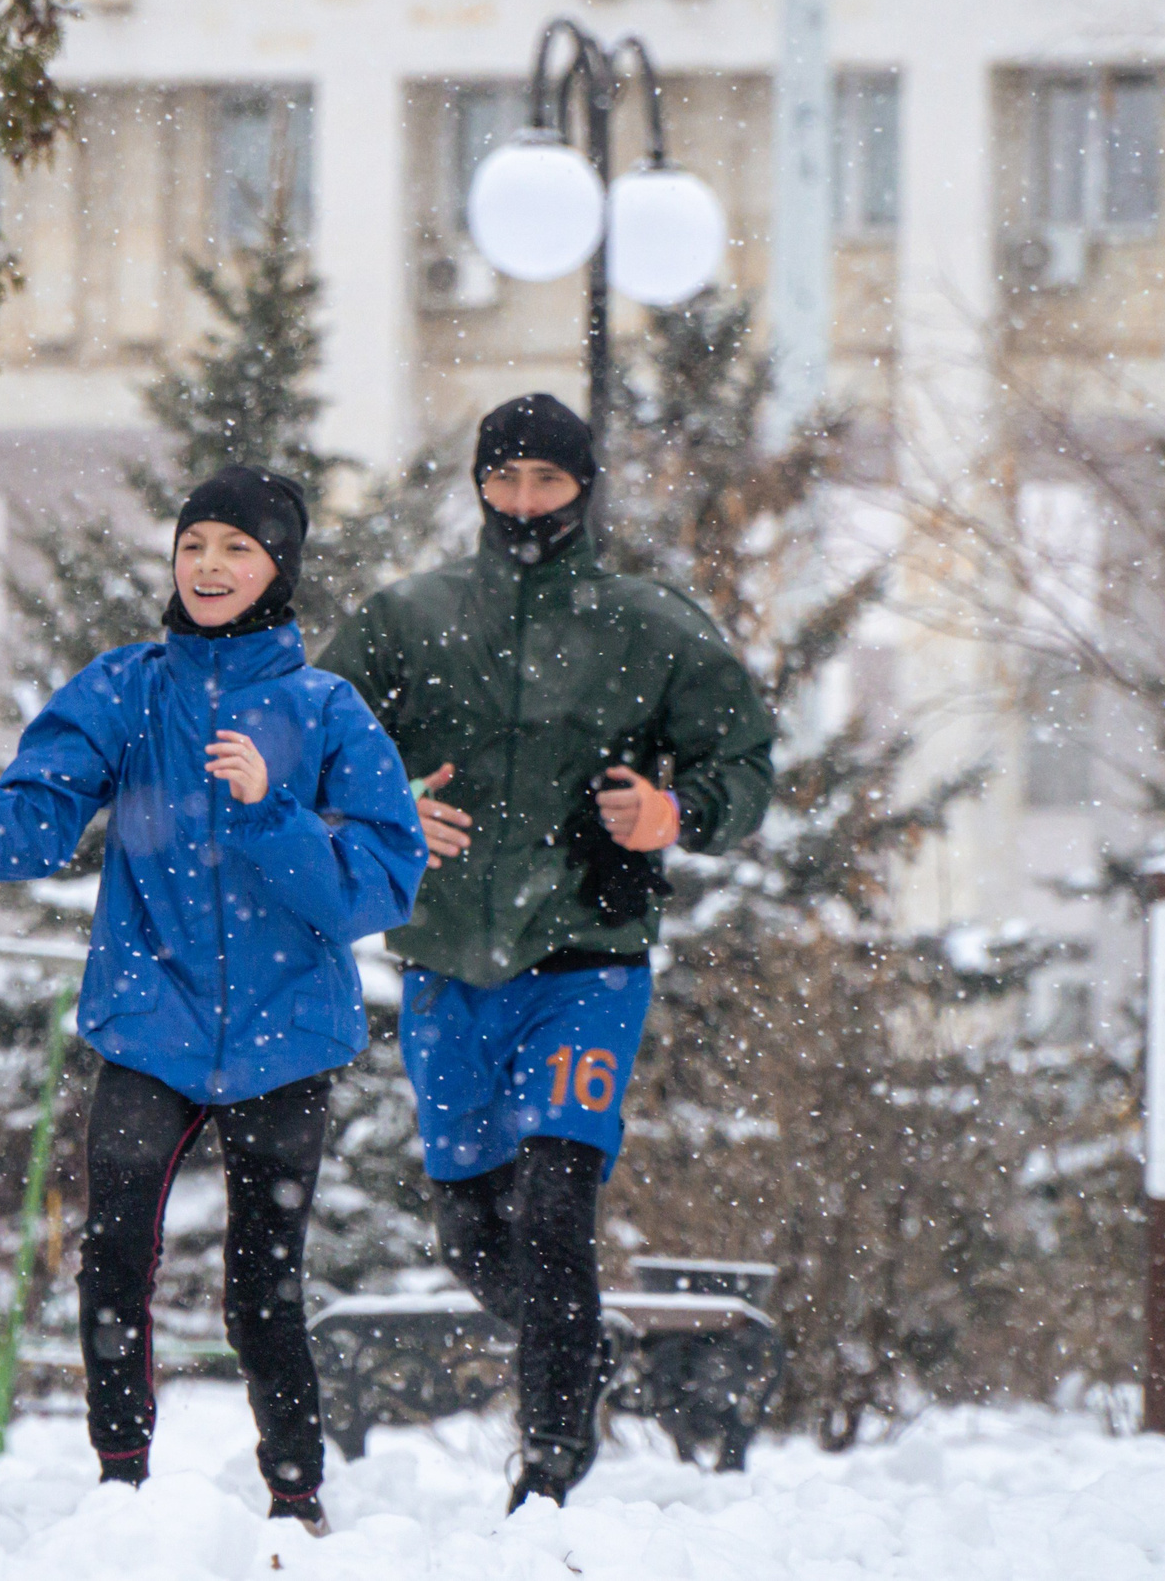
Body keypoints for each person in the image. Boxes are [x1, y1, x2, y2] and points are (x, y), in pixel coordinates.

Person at [0, 465, 425, 1534]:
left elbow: (379, 884)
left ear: (278, 568)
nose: (209, 565)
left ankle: (296, 1496)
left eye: (237, 548)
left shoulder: (325, 710)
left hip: (288, 1036)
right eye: (194, 544)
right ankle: (121, 1487)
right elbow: (38, 819)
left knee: (264, 1284)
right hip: (150, 1022)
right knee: (112, 1261)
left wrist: (272, 808)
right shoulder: (126, 689)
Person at [318, 392, 775, 1510]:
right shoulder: (405, 620)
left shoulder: (651, 626)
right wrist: (386, 806)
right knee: (473, 1233)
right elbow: (310, 748)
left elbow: (746, 764)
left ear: (584, 488)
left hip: (585, 955)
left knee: (556, 1207)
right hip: (445, 961)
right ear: (479, 485)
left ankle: (551, 1466)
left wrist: (674, 812)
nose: (525, 502)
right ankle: (582, 1350)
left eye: (549, 481)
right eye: (506, 479)